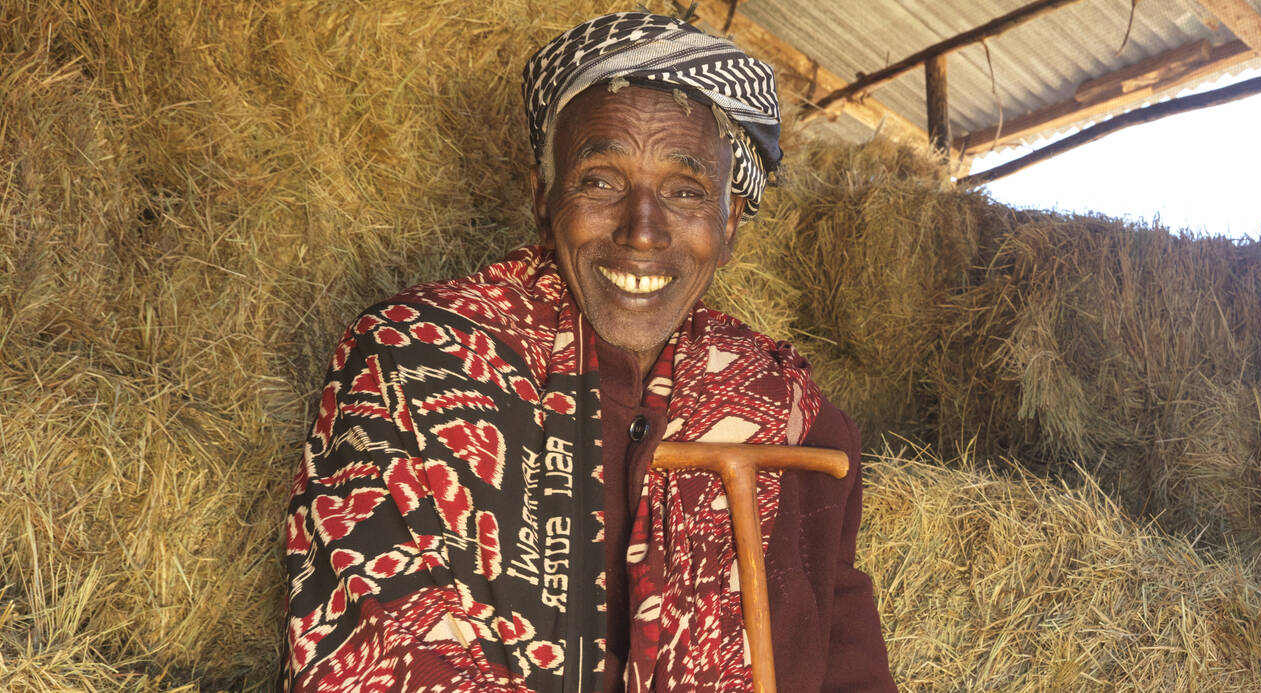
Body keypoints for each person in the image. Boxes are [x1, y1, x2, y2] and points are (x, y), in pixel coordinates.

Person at [283, 12, 895, 693]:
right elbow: (383, 643)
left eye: (685, 191)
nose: (642, 231)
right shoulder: (414, 362)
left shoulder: (790, 417)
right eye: (601, 181)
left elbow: (845, 655)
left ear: (729, 228)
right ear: (544, 202)